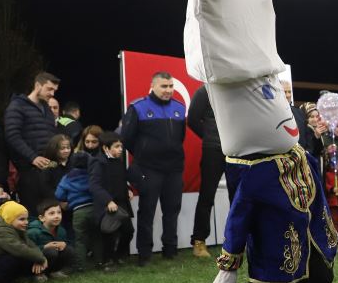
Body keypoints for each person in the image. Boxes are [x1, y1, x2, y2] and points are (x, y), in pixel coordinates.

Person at [183, 0, 338, 283]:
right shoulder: (252, 170)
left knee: (320, 276)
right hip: (274, 240)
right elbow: (238, 216)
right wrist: (228, 267)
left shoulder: (296, 147)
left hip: (307, 233)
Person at [120, 71, 186, 264]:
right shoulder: (138, 107)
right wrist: (143, 155)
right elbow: (127, 138)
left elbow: (180, 138)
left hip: (174, 168)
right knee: (147, 211)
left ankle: (170, 251)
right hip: (149, 168)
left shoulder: (179, 108)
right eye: (164, 86)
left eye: (171, 86)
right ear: (153, 86)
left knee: (172, 210)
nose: (168, 90)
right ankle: (144, 254)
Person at [187, 84, 234, 258]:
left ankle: (237, 241)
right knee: (206, 196)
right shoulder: (204, 90)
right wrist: (209, 136)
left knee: (238, 197)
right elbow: (192, 119)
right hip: (213, 150)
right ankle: (199, 241)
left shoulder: (236, 88)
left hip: (236, 149)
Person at [3, 71, 60, 214]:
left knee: (52, 214)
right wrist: (32, 157)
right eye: (49, 89)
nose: (52, 93)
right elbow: (12, 135)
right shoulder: (17, 106)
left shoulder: (47, 109)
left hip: (49, 171)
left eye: (55, 90)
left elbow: (51, 135)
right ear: (37, 85)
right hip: (28, 172)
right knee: (34, 215)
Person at [89, 132, 136, 271]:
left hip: (121, 203)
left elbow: (121, 179)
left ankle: (119, 256)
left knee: (128, 231)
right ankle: (106, 261)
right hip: (107, 205)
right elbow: (94, 185)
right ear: (105, 148)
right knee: (108, 234)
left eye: (121, 146)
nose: (120, 149)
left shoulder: (119, 161)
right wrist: (108, 201)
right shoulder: (98, 162)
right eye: (116, 146)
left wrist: (127, 188)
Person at [0, 201, 50, 283]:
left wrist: (41, 258)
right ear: (9, 219)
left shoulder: (17, 229)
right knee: (13, 258)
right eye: (21, 219)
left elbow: (31, 245)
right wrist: (41, 258)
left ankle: (21, 278)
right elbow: (20, 249)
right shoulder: (1, 231)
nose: (26, 222)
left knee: (24, 257)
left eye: (27, 219)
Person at [55, 152, 95, 272]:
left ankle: (80, 265)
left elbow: (59, 194)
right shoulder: (92, 174)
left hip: (78, 211)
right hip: (94, 208)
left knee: (80, 239)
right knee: (97, 236)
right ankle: (100, 261)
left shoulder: (67, 177)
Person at [26, 199, 75, 276]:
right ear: (42, 218)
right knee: (51, 252)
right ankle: (38, 274)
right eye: (51, 213)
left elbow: (67, 243)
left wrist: (64, 244)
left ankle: (55, 271)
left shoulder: (61, 230)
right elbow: (26, 250)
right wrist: (44, 247)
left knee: (68, 249)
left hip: (52, 259)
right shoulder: (33, 232)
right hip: (36, 261)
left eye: (59, 212)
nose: (56, 216)